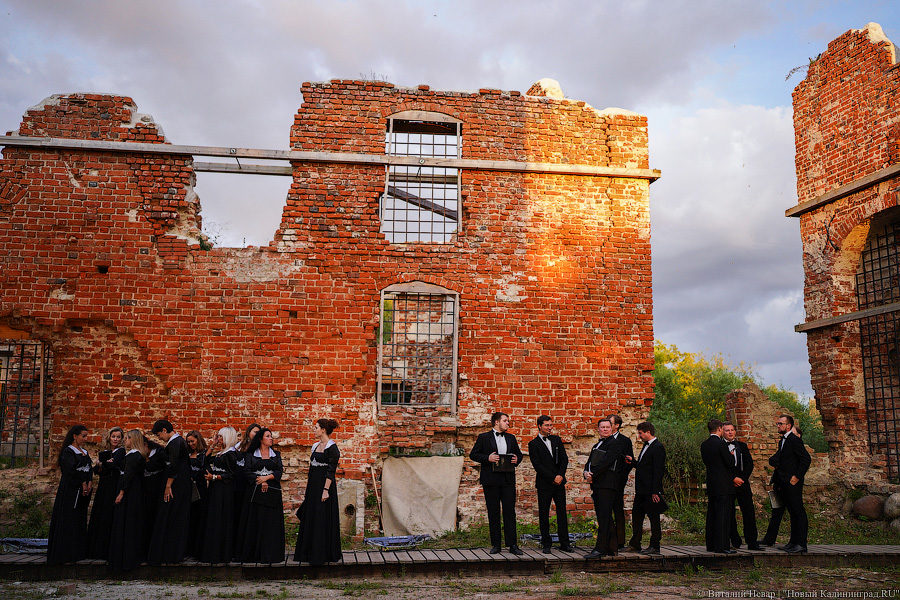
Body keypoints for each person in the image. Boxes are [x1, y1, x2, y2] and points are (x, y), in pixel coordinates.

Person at [470, 411, 524, 555]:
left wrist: (516, 459)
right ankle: (496, 545)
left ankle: (512, 545)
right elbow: (473, 454)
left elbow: (519, 455)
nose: (508, 423)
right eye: (505, 420)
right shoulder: (484, 437)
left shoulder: (511, 438)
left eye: (507, 421)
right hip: (491, 480)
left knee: (509, 512)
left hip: (507, 480)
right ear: (496, 422)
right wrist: (487, 458)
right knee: (493, 512)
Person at [294, 418, 342, 565]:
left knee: (322, 517)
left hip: (324, 488)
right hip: (313, 487)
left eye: (316, 428)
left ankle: (322, 553)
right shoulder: (315, 446)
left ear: (323, 430)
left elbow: (330, 471)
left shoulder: (332, 448)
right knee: (311, 516)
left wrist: (325, 490)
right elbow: (311, 470)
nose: (314, 430)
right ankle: (307, 552)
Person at [147, 419, 192, 565]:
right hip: (182, 483)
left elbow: (173, 466)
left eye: (159, 434)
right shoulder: (179, 441)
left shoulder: (174, 443)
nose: (159, 437)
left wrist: (168, 485)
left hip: (176, 484)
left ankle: (169, 553)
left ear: (165, 430)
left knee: (172, 514)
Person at [47, 424, 94, 565]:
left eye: (86, 436)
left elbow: (89, 468)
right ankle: (65, 552)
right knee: (69, 516)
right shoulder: (68, 452)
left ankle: (78, 551)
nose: (85, 439)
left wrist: (89, 481)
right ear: (75, 436)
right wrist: (82, 483)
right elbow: (71, 470)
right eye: (83, 436)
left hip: (83, 491)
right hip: (71, 490)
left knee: (79, 517)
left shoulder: (84, 451)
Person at [239, 427, 285, 564]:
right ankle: (255, 553)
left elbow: (279, 471)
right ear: (260, 439)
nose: (271, 438)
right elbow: (246, 471)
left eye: (271, 436)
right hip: (255, 491)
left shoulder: (276, 454)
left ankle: (271, 553)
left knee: (271, 522)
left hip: (272, 491)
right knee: (256, 520)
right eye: (268, 436)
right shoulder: (251, 454)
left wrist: (267, 478)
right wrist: (259, 480)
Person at [527, 415, 572, 553]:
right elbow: (537, 465)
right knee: (544, 513)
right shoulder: (533, 444)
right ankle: (546, 543)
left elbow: (564, 459)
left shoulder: (557, 440)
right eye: (547, 425)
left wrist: (560, 476)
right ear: (539, 426)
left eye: (551, 425)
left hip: (559, 482)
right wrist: (552, 477)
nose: (549, 428)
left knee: (562, 513)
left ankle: (565, 543)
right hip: (544, 483)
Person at [769, 415, 811, 553]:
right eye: (777, 423)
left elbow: (806, 459)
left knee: (798, 511)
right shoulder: (783, 441)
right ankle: (793, 542)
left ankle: (801, 544)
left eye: (781, 423)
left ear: (788, 426)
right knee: (792, 512)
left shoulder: (793, 439)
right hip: (784, 481)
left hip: (793, 482)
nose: (778, 426)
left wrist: (797, 476)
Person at [108, 429, 148, 572]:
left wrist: (121, 493)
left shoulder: (133, 456)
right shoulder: (139, 455)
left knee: (126, 521)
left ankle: (124, 558)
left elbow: (129, 475)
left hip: (130, 493)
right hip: (135, 491)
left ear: (133, 439)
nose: (124, 440)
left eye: (127, 438)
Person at [199, 427, 240, 564]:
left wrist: (215, 477)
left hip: (224, 490)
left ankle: (221, 552)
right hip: (215, 489)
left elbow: (231, 475)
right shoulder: (221, 453)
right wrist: (213, 444)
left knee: (221, 517)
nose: (219, 439)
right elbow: (204, 460)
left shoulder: (231, 454)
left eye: (221, 437)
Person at [583, 418, 622, 559]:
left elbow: (607, 462)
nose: (605, 429)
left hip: (607, 484)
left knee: (604, 517)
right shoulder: (596, 445)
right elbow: (589, 463)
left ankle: (600, 548)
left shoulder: (615, 444)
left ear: (611, 429)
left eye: (607, 427)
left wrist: (592, 474)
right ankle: (612, 547)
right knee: (603, 516)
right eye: (602, 427)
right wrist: (586, 472)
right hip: (598, 484)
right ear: (598, 429)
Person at [627, 421, 666, 555]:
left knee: (654, 517)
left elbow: (658, 470)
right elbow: (644, 466)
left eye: (640, 433)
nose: (639, 436)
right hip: (641, 490)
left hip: (650, 491)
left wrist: (655, 491)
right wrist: (632, 462)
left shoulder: (658, 447)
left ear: (648, 432)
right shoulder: (646, 446)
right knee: (637, 516)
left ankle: (655, 545)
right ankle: (635, 543)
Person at [86, 426, 125, 559]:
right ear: (109, 437)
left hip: (113, 485)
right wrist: (102, 465)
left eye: (118, 437)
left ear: (121, 439)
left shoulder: (121, 451)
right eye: (113, 436)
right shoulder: (106, 452)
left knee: (109, 513)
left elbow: (113, 466)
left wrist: (102, 464)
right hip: (104, 485)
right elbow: (96, 470)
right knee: (100, 512)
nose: (115, 439)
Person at [760, 425, 801, 547]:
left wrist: (784, 465)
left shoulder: (797, 448)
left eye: (794, 434)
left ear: (799, 436)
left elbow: (799, 462)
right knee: (776, 511)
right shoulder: (783, 446)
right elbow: (772, 460)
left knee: (795, 512)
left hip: (790, 484)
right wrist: (782, 463)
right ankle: (769, 539)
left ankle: (795, 542)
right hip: (779, 483)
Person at [723, 421, 760, 551]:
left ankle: (752, 542)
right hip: (728, 484)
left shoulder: (742, 446)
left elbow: (749, 464)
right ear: (722, 432)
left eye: (732, 430)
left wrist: (742, 479)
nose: (730, 432)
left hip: (743, 484)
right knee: (729, 513)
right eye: (727, 430)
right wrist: (732, 478)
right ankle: (735, 540)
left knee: (749, 512)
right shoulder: (720, 446)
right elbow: (720, 466)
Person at [701, 418, 736, 554]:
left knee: (712, 514)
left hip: (712, 483)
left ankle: (711, 544)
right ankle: (722, 546)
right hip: (724, 484)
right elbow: (730, 463)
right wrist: (731, 456)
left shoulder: (704, 445)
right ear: (720, 429)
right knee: (723, 516)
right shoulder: (721, 444)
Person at [233, 422, 261, 559]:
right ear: (248, 433)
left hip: (249, 483)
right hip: (237, 482)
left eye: (258, 432)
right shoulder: (239, 446)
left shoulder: (258, 449)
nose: (256, 434)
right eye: (254, 432)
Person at [607, 414, 633, 550]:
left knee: (618, 509)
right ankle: (608, 539)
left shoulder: (625, 441)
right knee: (606, 510)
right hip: (606, 481)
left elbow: (629, 462)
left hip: (618, 480)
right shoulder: (605, 440)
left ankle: (620, 541)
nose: (607, 425)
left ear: (617, 425)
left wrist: (621, 478)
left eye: (610, 423)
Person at [185, 430, 209, 559]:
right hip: (188, 490)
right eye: (188, 442)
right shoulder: (187, 454)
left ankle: (197, 550)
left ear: (198, 440)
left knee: (198, 519)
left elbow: (205, 469)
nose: (190, 444)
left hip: (200, 490)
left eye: (192, 441)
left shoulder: (204, 454)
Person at [142, 436, 166, 556]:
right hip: (145, 493)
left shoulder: (159, 454)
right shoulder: (139, 456)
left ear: (146, 445)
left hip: (158, 491)